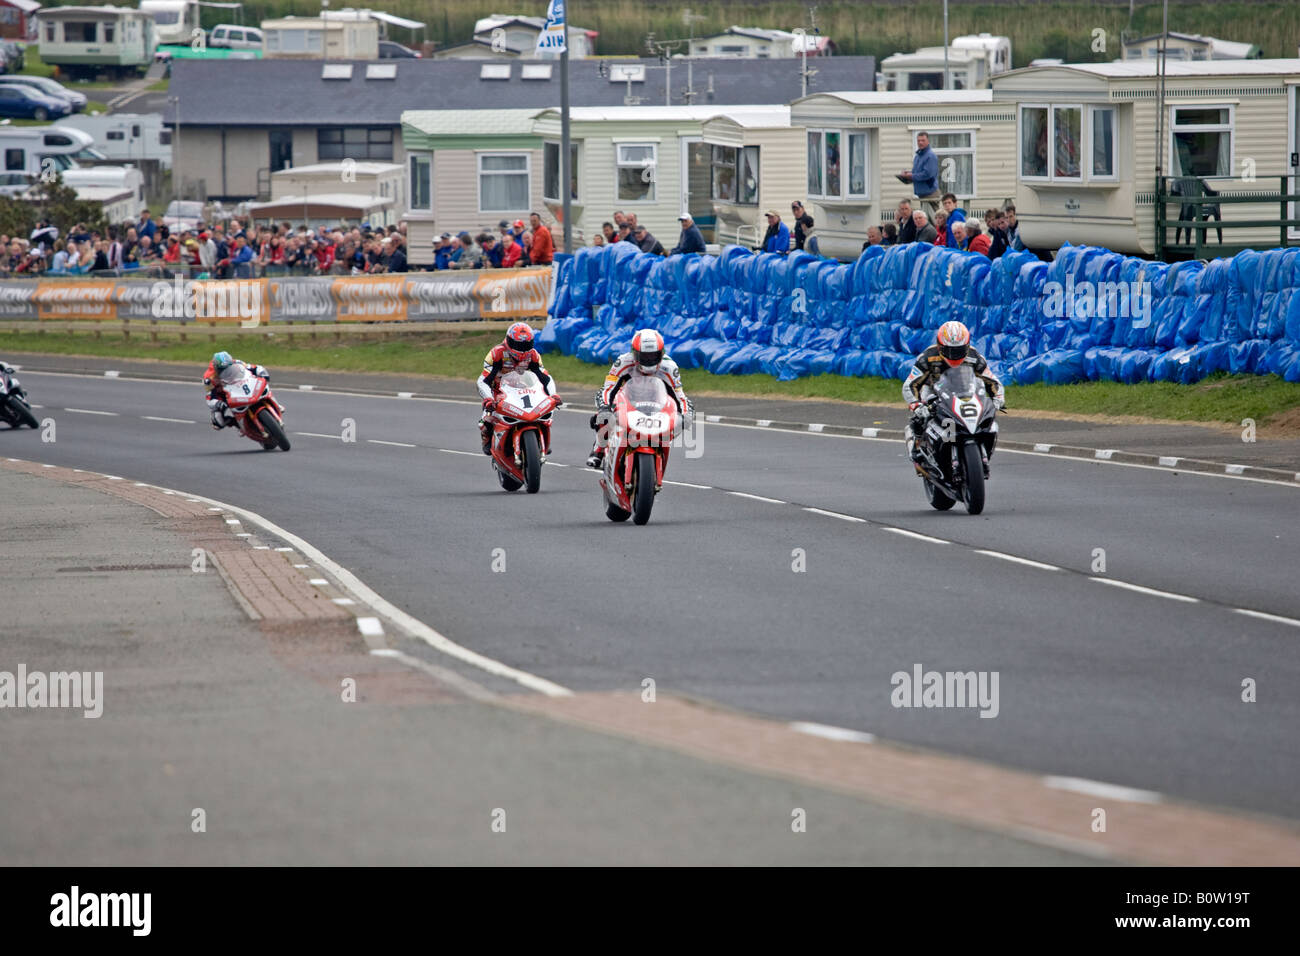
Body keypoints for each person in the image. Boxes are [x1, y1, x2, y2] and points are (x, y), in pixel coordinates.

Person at [585, 329, 693, 469]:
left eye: (653, 356)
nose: (649, 360)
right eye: (645, 356)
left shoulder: (670, 367)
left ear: (661, 353)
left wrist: (685, 414)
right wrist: (604, 407)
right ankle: (598, 449)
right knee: (603, 414)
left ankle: (661, 444)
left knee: (683, 419)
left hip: (657, 402)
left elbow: (680, 396)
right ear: (634, 353)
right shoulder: (623, 362)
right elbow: (609, 389)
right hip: (628, 399)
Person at [902, 321, 1004, 468]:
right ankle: (917, 445)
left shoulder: (974, 357)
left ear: (967, 346)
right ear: (939, 346)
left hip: (965, 391)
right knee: (921, 415)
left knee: (983, 413)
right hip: (933, 392)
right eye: (949, 350)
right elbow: (910, 384)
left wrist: (998, 399)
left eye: (959, 350)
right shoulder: (928, 357)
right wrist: (916, 405)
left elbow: (992, 381)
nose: (954, 355)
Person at [476, 323, 557, 455]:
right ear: (509, 341)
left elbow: (545, 377)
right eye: (519, 345)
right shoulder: (497, 353)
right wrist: (488, 399)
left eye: (526, 345)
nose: (523, 349)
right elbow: (483, 380)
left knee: (546, 413)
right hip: (499, 394)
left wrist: (553, 395)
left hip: (524, 391)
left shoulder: (533, 355)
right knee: (486, 421)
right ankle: (487, 438)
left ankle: (543, 439)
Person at [203, 351, 272, 430]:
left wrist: (261, 373)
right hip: (224, 395)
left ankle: (274, 403)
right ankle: (235, 423)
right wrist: (218, 403)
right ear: (216, 368)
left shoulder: (236, 362)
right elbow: (209, 397)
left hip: (238, 384)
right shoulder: (208, 378)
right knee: (217, 422)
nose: (228, 371)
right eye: (223, 370)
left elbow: (252, 367)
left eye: (230, 367)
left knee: (263, 385)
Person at [898, 131, 940, 211]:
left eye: (923, 140)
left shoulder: (930, 156)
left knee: (934, 220)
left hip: (930, 193)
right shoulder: (918, 156)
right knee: (925, 218)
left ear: (928, 141)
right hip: (922, 193)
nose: (920, 142)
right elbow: (917, 173)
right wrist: (908, 174)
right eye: (918, 140)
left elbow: (928, 174)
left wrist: (911, 176)